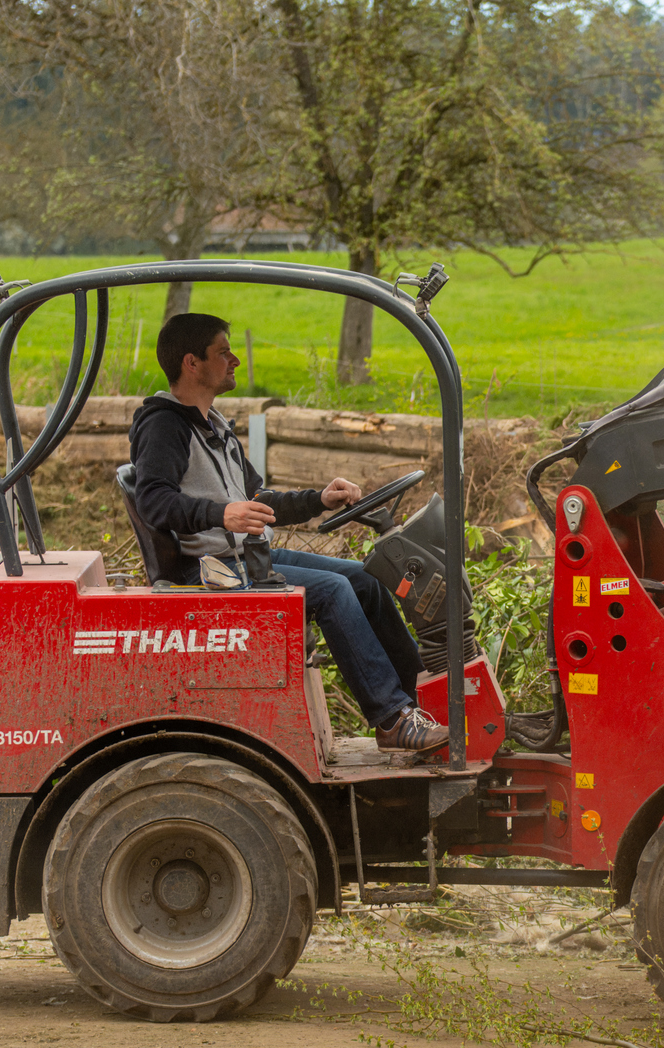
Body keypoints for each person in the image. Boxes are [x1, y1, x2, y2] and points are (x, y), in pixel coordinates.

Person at [129, 312, 446, 753]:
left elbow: (259, 500)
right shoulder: (164, 426)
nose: (235, 360)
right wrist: (221, 514)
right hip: (208, 572)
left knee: (365, 578)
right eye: (223, 352)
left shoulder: (214, 426)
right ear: (192, 363)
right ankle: (392, 719)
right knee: (333, 591)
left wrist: (321, 499)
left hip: (244, 558)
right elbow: (153, 500)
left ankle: (424, 700)